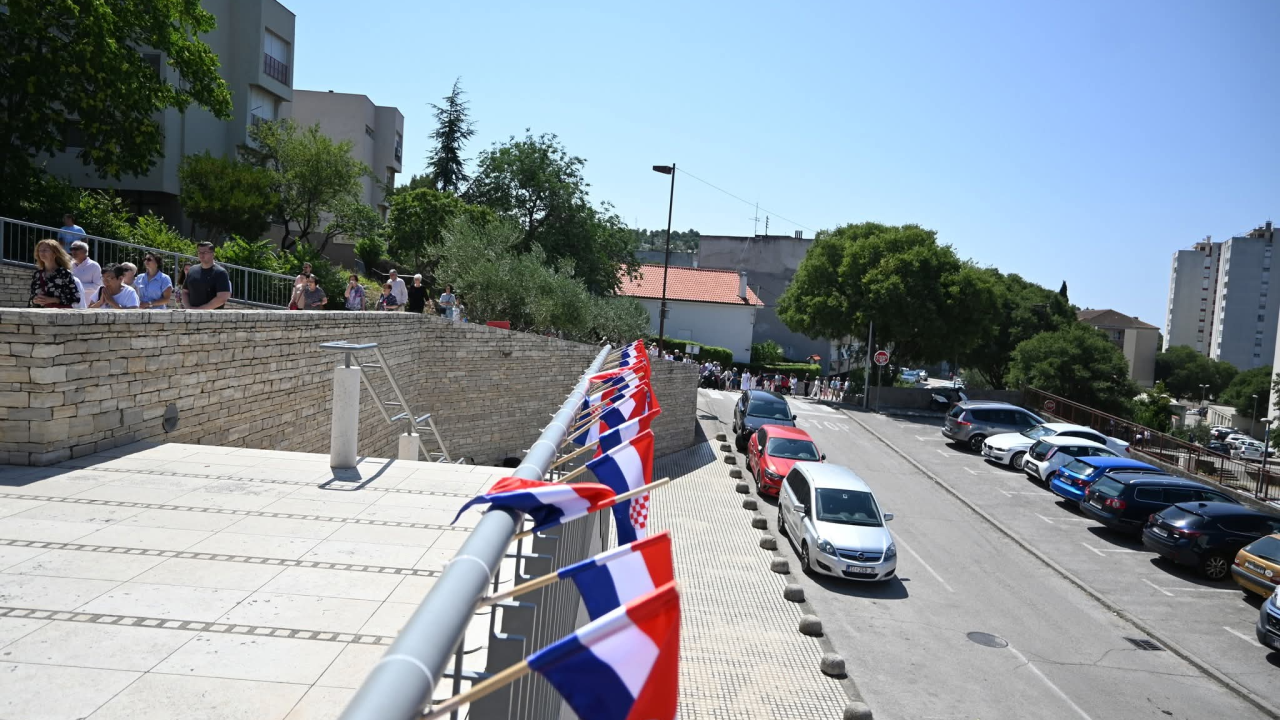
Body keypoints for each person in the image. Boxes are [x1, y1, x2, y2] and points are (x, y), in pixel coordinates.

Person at [28, 239, 81, 308]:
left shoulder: (64, 273)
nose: (41, 253)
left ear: (55, 253)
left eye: (45, 250)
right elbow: (31, 299)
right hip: (40, 313)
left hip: (59, 314)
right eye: (39, 250)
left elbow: (75, 298)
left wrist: (54, 300)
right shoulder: (37, 274)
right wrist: (34, 301)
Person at [182, 241, 231, 310]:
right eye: (199, 252)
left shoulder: (220, 273)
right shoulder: (192, 270)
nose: (201, 255)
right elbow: (185, 292)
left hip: (212, 315)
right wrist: (188, 308)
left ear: (213, 254)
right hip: (191, 314)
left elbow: (222, 298)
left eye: (205, 252)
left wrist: (200, 310)